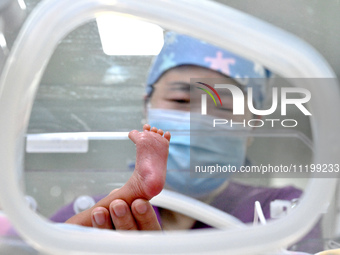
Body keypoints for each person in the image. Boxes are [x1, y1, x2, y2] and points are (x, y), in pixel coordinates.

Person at [53, 32, 321, 253]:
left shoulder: (283, 212)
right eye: (180, 101)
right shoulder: (97, 214)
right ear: (147, 107)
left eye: (224, 107)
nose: (198, 121)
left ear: (253, 124)